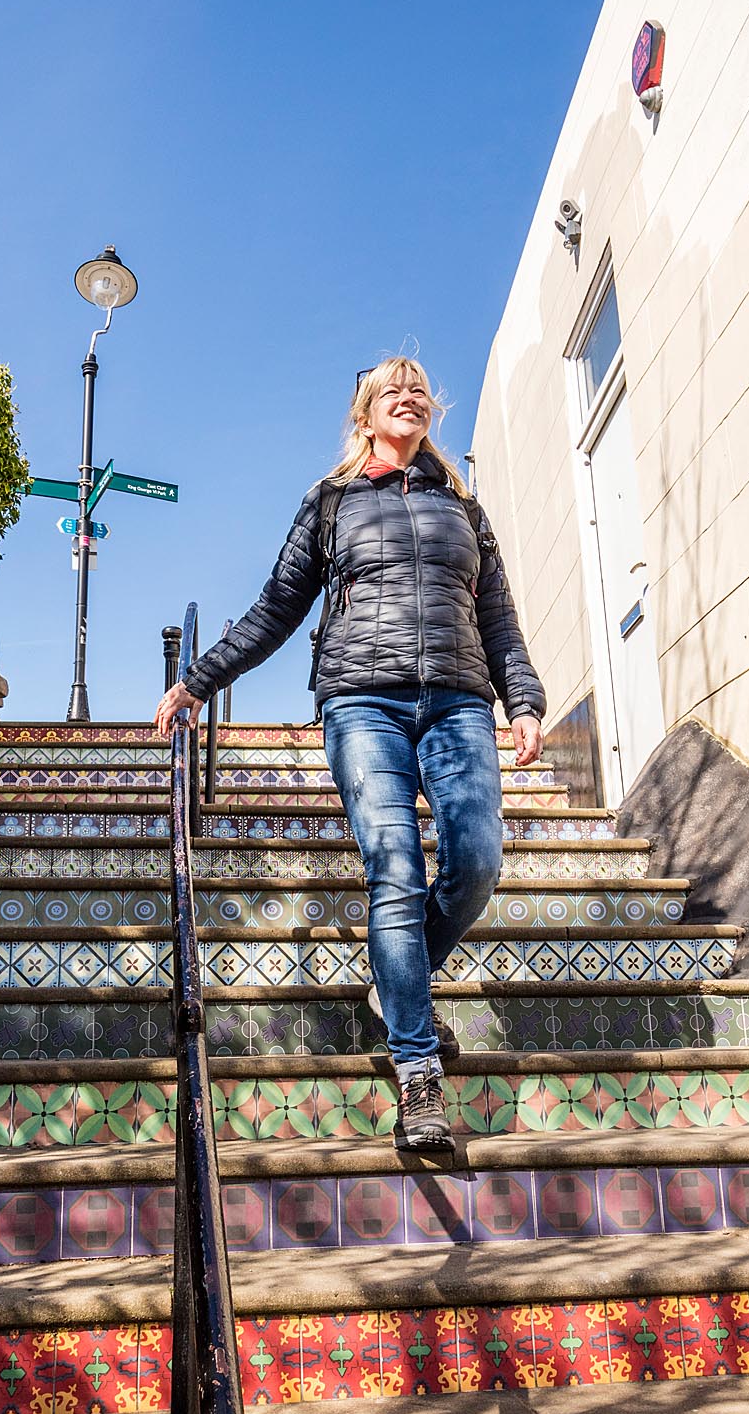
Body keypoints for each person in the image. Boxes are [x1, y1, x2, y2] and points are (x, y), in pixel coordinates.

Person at [153, 355, 544, 1151]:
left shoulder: (463, 507)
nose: (410, 396)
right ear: (365, 414)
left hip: (460, 700)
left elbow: (498, 615)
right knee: (394, 869)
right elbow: (278, 606)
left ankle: (396, 982)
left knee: (477, 859)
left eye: (420, 388)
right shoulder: (331, 502)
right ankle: (417, 1065)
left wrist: (525, 699)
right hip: (361, 698)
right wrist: (199, 679)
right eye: (391, 389)